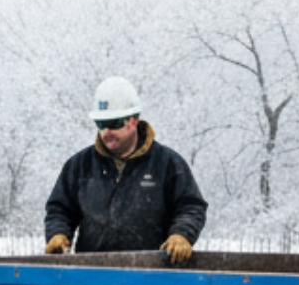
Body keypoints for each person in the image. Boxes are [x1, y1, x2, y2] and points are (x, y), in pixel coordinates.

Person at [44, 76, 207, 262]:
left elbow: (191, 206)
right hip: (92, 275)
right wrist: (58, 233)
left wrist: (182, 235)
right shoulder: (80, 166)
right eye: (100, 124)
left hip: (152, 275)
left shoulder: (166, 163)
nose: (107, 132)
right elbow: (59, 208)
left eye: (114, 124)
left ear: (134, 120)